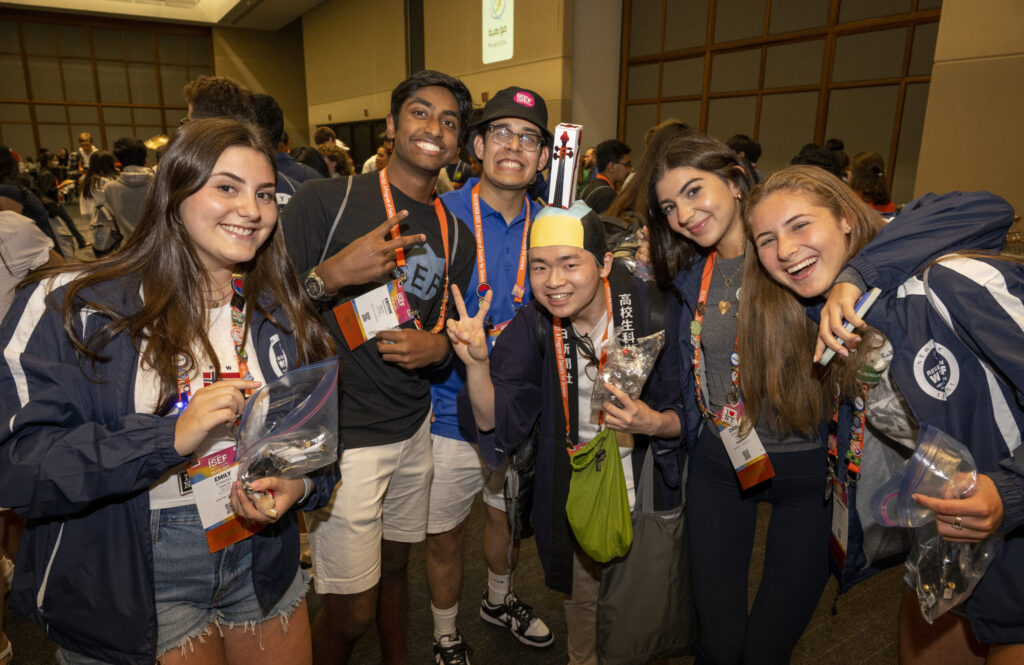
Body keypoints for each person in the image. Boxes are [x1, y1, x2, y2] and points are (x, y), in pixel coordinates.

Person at [0, 117, 337, 665]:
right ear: (176, 191)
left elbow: (317, 447)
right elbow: (16, 465)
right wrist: (166, 438)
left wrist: (296, 490)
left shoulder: (280, 309)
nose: (251, 210)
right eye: (226, 187)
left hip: (260, 551)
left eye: (265, 194)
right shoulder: (73, 307)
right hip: (137, 566)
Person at [743, 165, 1022, 665]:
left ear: (847, 219)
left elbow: (987, 207)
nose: (784, 250)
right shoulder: (826, 325)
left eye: (800, 225)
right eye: (766, 239)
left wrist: (1009, 490)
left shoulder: (950, 283)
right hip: (951, 536)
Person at [281, 69, 475, 665]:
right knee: (351, 608)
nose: (434, 129)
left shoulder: (456, 234)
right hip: (344, 435)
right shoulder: (325, 201)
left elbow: (446, 326)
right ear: (391, 126)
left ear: (459, 142)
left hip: (413, 426)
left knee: (397, 570)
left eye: (449, 121)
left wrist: (440, 351)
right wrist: (332, 277)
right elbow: (263, 309)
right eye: (420, 113)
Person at [451, 201, 684, 665]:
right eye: (539, 266)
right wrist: (477, 366)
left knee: (641, 622)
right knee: (584, 618)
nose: (553, 281)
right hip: (580, 492)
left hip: (648, 491)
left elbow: (688, 413)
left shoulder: (653, 309)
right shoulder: (535, 323)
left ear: (605, 264)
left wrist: (651, 423)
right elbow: (495, 418)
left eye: (569, 263)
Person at [646, 133, 833, 665]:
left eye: (693, 191)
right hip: (720, 462)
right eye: (669, 206)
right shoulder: (687, 274)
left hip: (808, 470)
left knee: (767, 648)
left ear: (734, 180)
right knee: (718, 643)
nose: (682, 213)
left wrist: (860, 276)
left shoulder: (794, 254)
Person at [427, 85, 555, 664]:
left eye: (529, 138)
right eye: (501, 133)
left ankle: (499, 601)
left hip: (520, 411)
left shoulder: (554, 227)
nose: (514, 147)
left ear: (545, 158)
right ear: (476, 145)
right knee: (447, 531)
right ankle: (445, 632)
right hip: (448, 406)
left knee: (507, 520)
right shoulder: (439, 214)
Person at [105, 136, 156, 239]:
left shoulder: (110, 188)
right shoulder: (160, 183)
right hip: (160, 246)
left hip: (130, 246)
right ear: (145, 158)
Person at [580, 139, 631, 214]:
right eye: (627, 165)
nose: (629, 170)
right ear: (612, 166)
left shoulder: (591, 186)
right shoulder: (607, 195)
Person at [850, 151, 897, 217]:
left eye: (850, 170)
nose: (848, 172)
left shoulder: (858, 206)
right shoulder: (889, 204)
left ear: (857, 176)